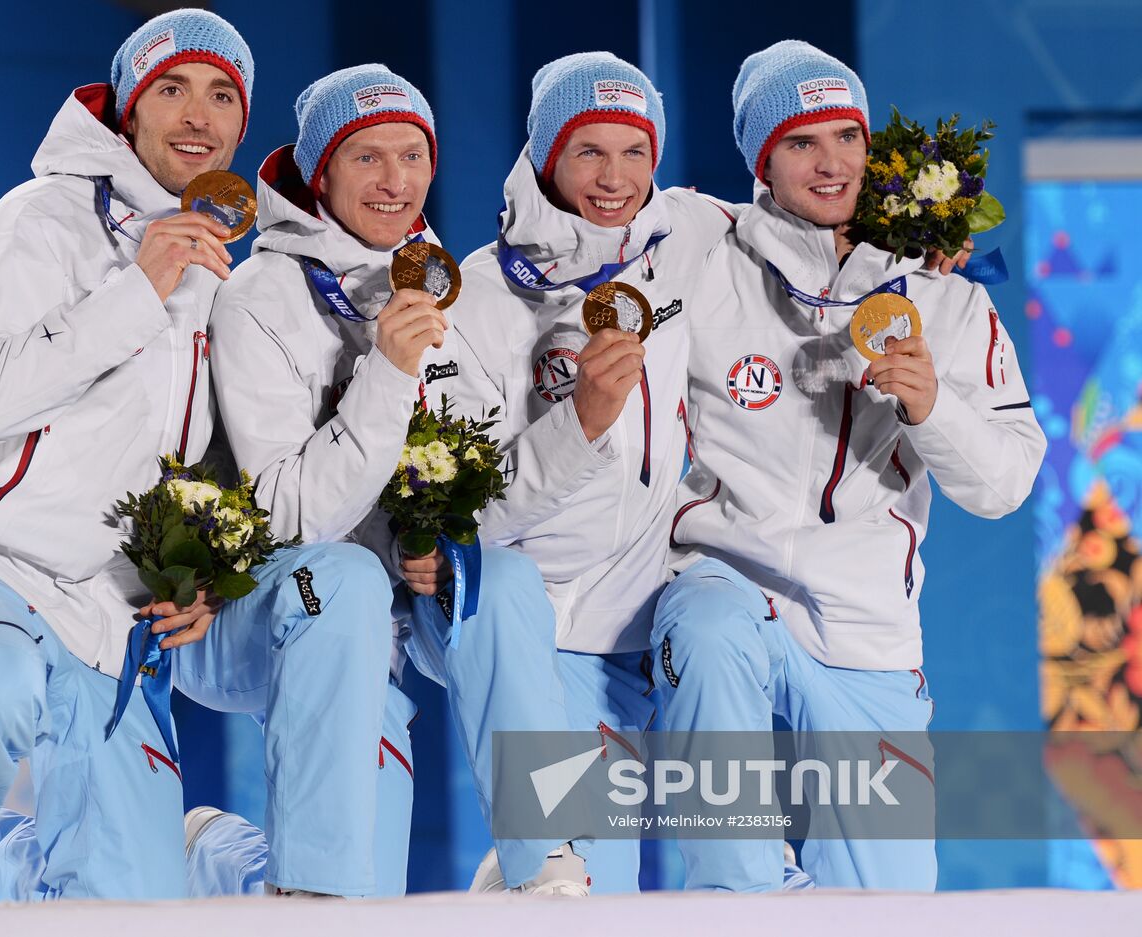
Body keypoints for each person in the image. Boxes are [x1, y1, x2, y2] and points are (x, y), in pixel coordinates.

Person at [0, 9, 394, 904]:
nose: (199, 115)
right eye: (172, 89)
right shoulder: (39, 222)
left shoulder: (220, 262)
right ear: (130, 110)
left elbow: (206, 466)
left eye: (223, 96)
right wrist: (134, 292)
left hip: (114, 614)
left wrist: (211, 571)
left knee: (124, 904)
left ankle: (42, 859)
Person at [653, 40, 1046, 891]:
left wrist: (933, 408)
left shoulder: (943, 296)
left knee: (888, 907)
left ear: (875, 148)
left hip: (867, 625)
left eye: (846, 138)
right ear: (762, 158)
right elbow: (601, 203)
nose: (831, 164)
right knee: (710, 634)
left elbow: (1008, 482)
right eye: (800, 143)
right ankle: (740, 894)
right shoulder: (705, 256)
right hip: (727, 579)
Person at [186, 63, 581, 896]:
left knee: (503, 580)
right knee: (346, 581)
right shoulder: (258, 297)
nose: (395, 180)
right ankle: (232, 862)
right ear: (320, 170)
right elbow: (292, 518)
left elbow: (479, 476)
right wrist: (390, 372)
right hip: (271, 603)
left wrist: (447, 536)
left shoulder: (448, 290)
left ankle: (544, 855)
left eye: (413, 154)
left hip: (397, 603)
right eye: (368, 157)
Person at [436, 52, 739, 893]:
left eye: (635, 151)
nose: (615, 179)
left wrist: (914, 251)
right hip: (555, 637)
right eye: (588, 151)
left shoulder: (688, 238)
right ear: (544, 157)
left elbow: (805, 227)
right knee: (580, 897)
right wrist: (582, 424)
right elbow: (469, 520)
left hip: (657, 617)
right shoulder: (479, 300)